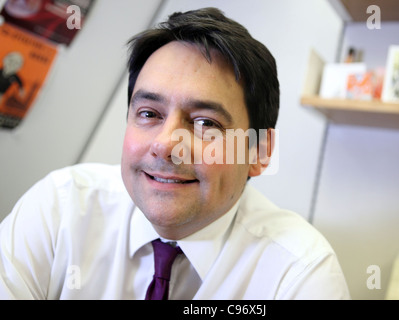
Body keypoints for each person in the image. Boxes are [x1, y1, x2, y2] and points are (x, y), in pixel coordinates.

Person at [0, 7, 351, 300]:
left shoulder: (296, 272)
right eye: (149, 114)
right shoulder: (61, 210)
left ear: (259, 151)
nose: (167, 144)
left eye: (204, 123)